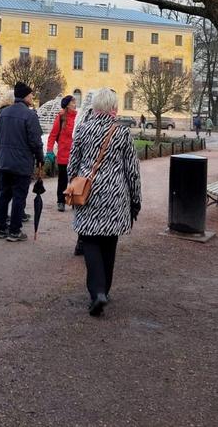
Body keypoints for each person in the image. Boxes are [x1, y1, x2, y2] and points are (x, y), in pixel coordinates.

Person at [67, 87, 142, 316]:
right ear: (114, 108)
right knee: (109, 243)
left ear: (95, 107)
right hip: (115, 195)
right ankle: (104, 291)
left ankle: (97, 291)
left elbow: (72, 164)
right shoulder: (122, 132)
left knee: (90, 241)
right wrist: (135, 200)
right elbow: (132, 170)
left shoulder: (83, 129)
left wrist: (73, 186)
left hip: (88, 193)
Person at [0, 81, 44, 242]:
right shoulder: (30, 115)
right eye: (31, 95)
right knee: (19, 196)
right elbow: (35, 141)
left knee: (3, 195)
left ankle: (1, 228)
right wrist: (40, 158)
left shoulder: (4, 113)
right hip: (21, 163)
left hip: (4, 162)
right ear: (25, 97)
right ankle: (15, 231)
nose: (32, 98)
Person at [46, 95, 77, 212]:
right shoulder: (60, 117)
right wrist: (49, 150)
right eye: (73, 102)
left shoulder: (78, 117)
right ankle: (61, 201)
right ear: (68, 104)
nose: (75, 104)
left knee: (75, 179)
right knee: (62, 180)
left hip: (75, 155)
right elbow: (53, 135)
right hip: (63, 154)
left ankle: (75, 200)